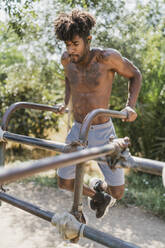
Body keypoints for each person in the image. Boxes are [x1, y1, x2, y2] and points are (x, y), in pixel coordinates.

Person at [54, 9, 142, 219]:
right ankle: (97, 195)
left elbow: (135, 74)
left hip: (103, 131)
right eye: (67, 45)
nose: (71, 50)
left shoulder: (106, 58)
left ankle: (101, 187)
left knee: (118, 192)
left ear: (88, 39)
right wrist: (65, 102)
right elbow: (69, 80)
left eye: (75, 44)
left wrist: (130, 106)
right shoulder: (67, 60)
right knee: (64, 182)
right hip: (77, 129)